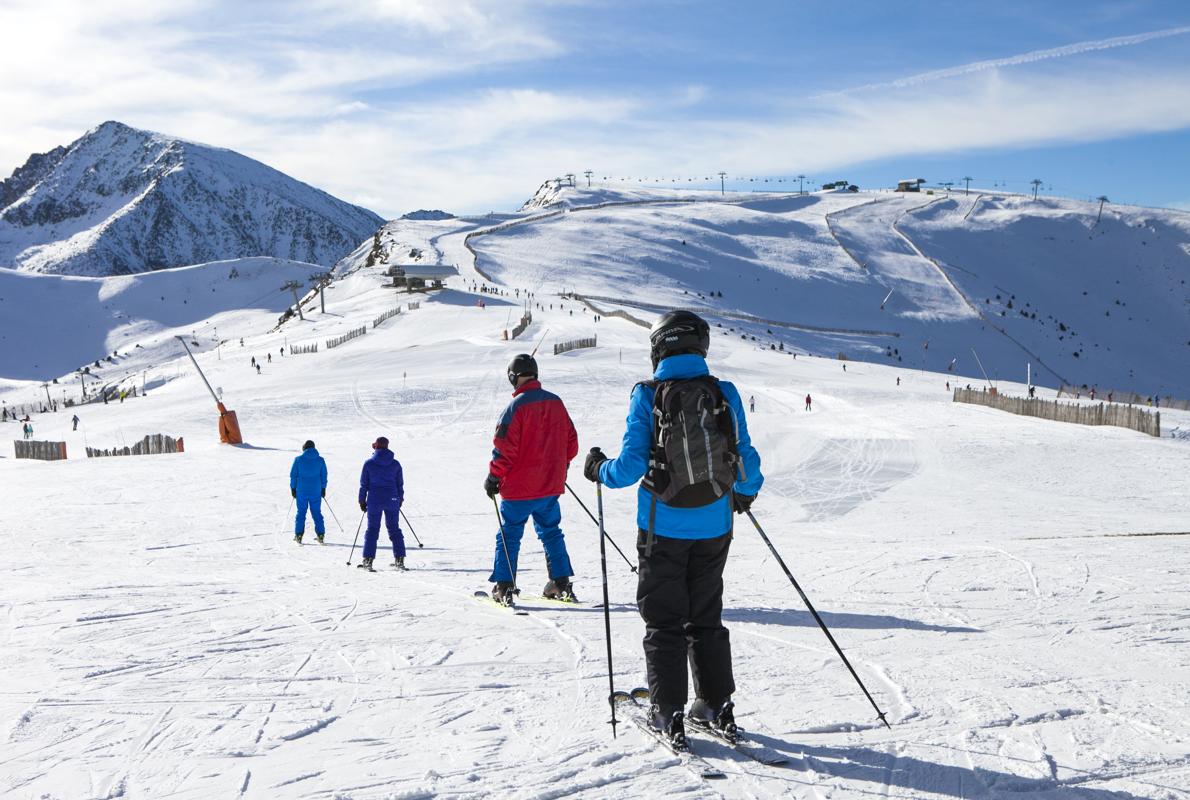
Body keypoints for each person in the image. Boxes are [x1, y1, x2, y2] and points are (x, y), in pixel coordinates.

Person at [583, 310, 763, 748]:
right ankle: (716, 703)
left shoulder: (648, 393)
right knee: (706, 616)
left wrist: (597, 470)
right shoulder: (723, 392)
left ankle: (667, 712)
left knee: (664, 620)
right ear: (700, 346)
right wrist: (744, 492)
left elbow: (627, 468)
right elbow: (745, 454)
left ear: (658, 347)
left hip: (661, 528)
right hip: (715, 526)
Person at [484, 353, 579, 604]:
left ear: (513, 378)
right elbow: (572, 443)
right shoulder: (556, 403)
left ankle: (504, 586)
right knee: (551, 531)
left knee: (510, 533)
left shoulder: (515, 408)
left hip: (518, 489)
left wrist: (494, 477)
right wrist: (559, 466)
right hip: (549, 486)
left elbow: (505, 448)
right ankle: (561, 583)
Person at [358, 436, 406, 571]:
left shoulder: (369, 463)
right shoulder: (395, 464)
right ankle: (399, 559)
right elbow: (399, 484)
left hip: (375, 500)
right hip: (392, 500)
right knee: (394, 528)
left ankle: (368, 560)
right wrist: (400, 499)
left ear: (376, 447)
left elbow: (364, 485)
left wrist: (362, 500)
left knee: (372, 529)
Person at [290, 440, 328, 544]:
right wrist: (323, 488)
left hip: (301, 490)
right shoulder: (320, 460)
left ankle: (298, 535)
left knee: (301, 512)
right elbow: (324, 475)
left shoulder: (298, 460)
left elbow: (293, 475)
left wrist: (293, 488)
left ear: (304, 448)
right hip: (316, 490)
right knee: (316, 512)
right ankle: (320, 534)